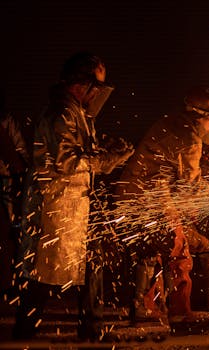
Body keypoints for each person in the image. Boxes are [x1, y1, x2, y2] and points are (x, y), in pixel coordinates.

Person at [12, 52, 134, 340]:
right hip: (55, 211)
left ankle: (92, 330)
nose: (98, 94)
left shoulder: (77, 112)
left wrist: (107, 149)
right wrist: (108, 159)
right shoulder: (61, 114)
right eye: (96, 86)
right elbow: (67, 161)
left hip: (75, 209)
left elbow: (83, 152)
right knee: (41, 275)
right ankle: (23, 334)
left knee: (93, 263)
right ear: (82, 84)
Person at [114, 85, 209, 333]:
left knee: (161, 250)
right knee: (174, 253)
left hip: (142, 197)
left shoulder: (172, 123)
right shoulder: (189, 138)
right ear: (204, 116)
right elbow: (189, 189)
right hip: (148, 201)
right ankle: (161, 312)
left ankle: (153, 309)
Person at [0, 92, 30, 296]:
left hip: (7, 182)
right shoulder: (4, 123)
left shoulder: (5, 121)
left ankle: (8, 282)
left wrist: (21, 174)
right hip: (7, 181)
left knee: (9, 234)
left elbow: (18, 151)